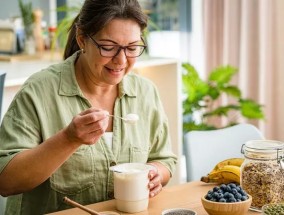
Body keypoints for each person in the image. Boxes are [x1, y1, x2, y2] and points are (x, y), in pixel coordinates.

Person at [0, 0, 177, 214]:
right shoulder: (39, 91)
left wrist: (155, 172)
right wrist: (68, 139)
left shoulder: (146, 92)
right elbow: (6, 182)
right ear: (82, 39)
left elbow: (164, 159)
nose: (121, 60)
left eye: (132, 48)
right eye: (108, 47)